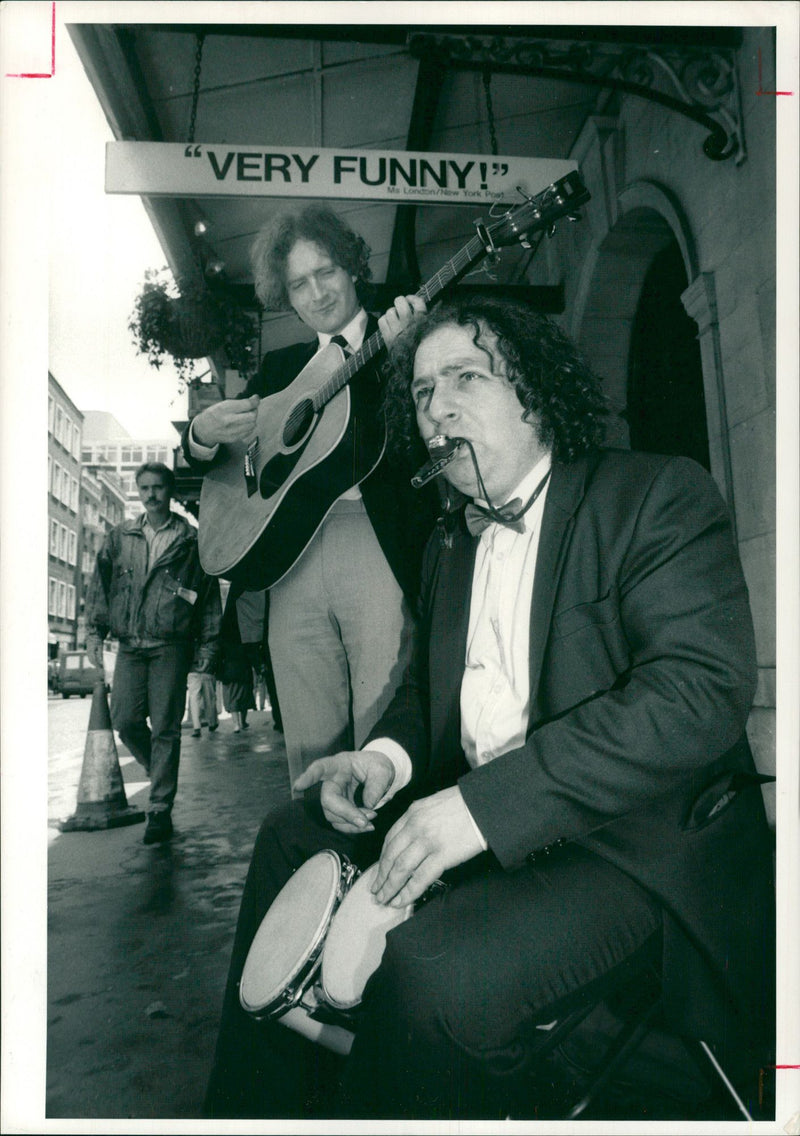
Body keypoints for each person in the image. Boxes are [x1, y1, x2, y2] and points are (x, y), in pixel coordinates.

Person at [201, 294, 774, 1120]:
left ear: (535, 392)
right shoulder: (450, 540)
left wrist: (477, 809)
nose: (437, 410)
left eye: (465, 377)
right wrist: (381, 761)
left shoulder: (654, 495)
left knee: (430, 974)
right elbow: (425, 692)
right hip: (491, 821)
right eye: (425, 393)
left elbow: (697, 694)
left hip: (629, 845)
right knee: (287, 836)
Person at [183, 205, 436, 789]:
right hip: (290, 560)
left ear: (352, 270)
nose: (317, 292)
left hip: (376, 541)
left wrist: (407, 358)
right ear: (286, 296)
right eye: (299, 283)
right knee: (309, 736)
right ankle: (324, 866)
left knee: (386, 721)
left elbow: (434, 435)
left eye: (326, 272)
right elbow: (239, 461)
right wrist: (203, 435)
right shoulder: (279, 368)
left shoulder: (406, 334)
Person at [85, 463, 221, 844]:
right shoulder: (121, 537)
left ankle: (159, 808)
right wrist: (94, 633)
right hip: (130, 645)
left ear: (170, 491)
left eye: (158, 487)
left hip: (170, 646)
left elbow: (208, 598)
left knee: (165, 727)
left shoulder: (191, 540)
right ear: (138, 491)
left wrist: (207, 651)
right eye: (144, 487)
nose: (151, 494)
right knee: (125, 720)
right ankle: (160, 772)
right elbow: (100, 586)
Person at [186, 661, 219, 737]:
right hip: (208, 672)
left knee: (194, 701)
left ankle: (196, 727)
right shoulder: (208, 648)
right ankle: (212, 723)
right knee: (210, 699)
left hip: (193, 671)